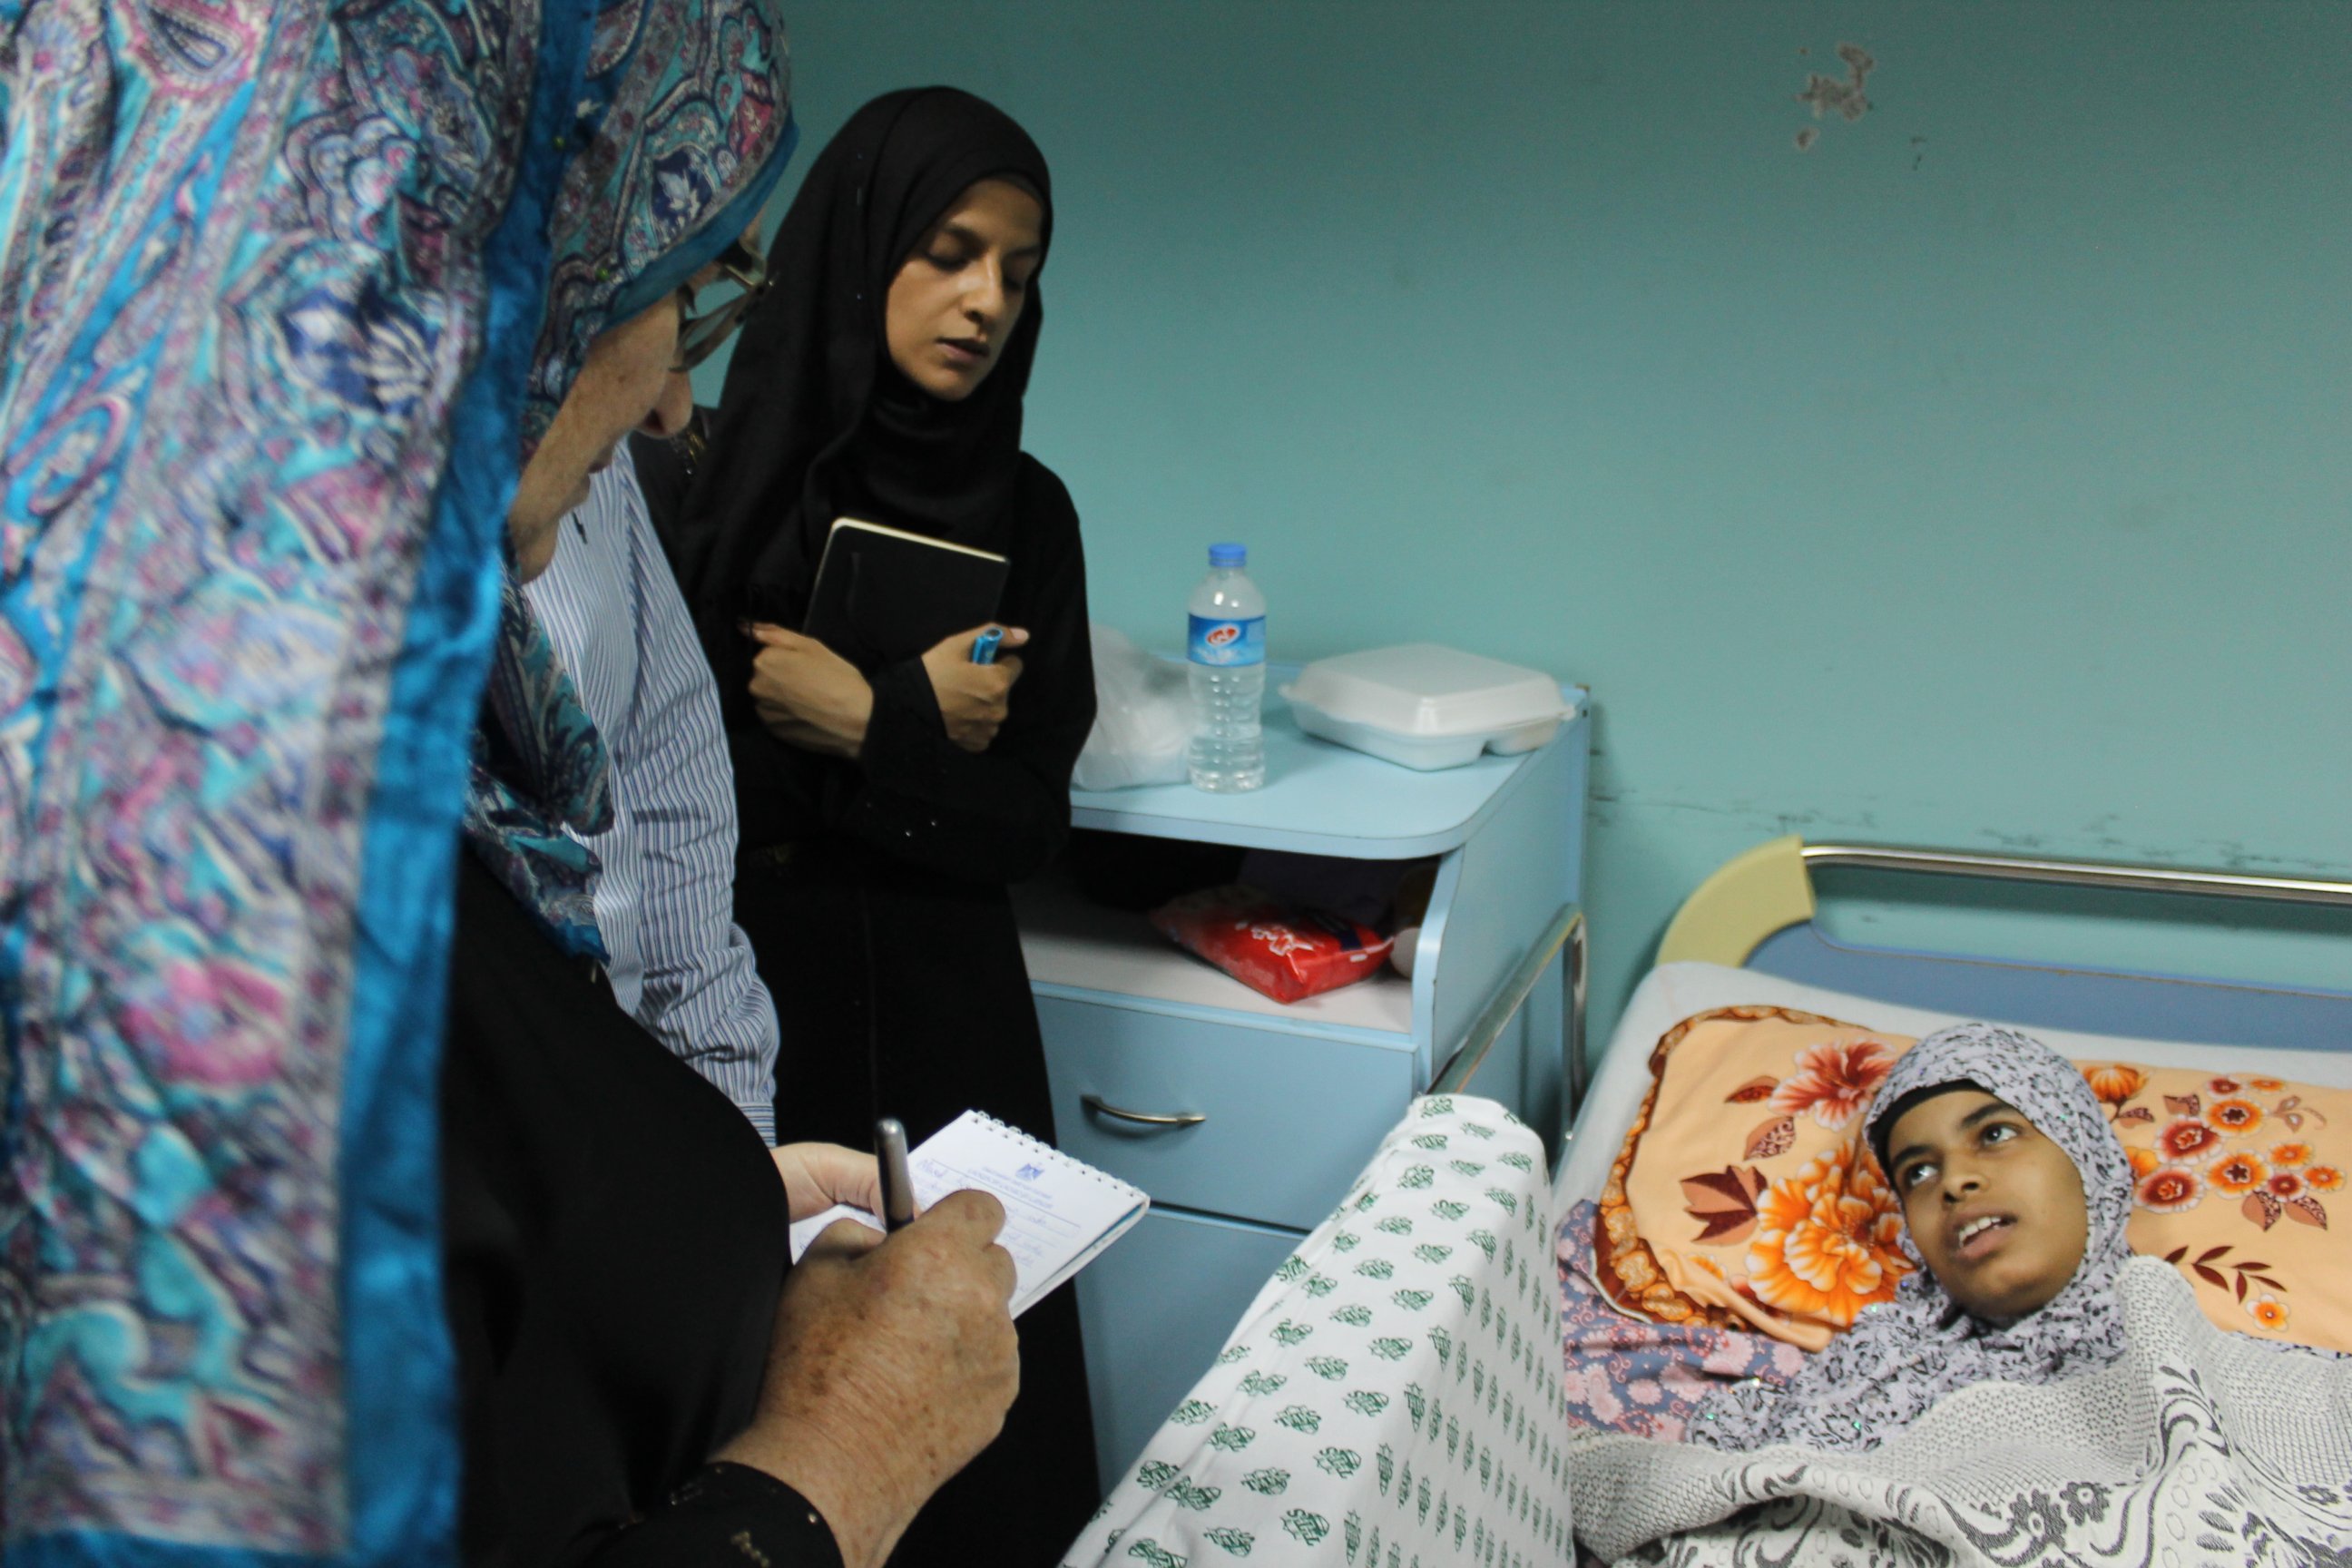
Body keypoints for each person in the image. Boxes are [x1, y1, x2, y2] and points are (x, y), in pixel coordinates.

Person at [446, 26, 1030, 1568]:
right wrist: (831, 1461)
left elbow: (679, 831)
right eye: (664, 290)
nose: (660, 403)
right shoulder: (221, 879)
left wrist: (702, 1200)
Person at [642, 88, 1101, 1562]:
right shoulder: (705, 485)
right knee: (793, 1391)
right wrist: (905, 739)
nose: (982, 300)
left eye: (1016, 272)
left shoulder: (1030, 517)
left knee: (988, 1401)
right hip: (765, 1008)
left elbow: (1028, 821)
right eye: (949, 251)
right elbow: (677, 799)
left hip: (957, 993)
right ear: (860, 250)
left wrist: (866, 718)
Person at [520, 236, 783, 1140]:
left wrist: (740, 1167)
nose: (673, 411)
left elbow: (670, 787)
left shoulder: (597, 465)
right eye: (660, 305)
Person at [1682, 1021, 2133, 1453]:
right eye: (1919, 1172)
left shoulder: (2176, 1376)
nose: (1955, 1180)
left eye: (1994, 1134)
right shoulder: (1874, 1373)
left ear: (2088, 1157)